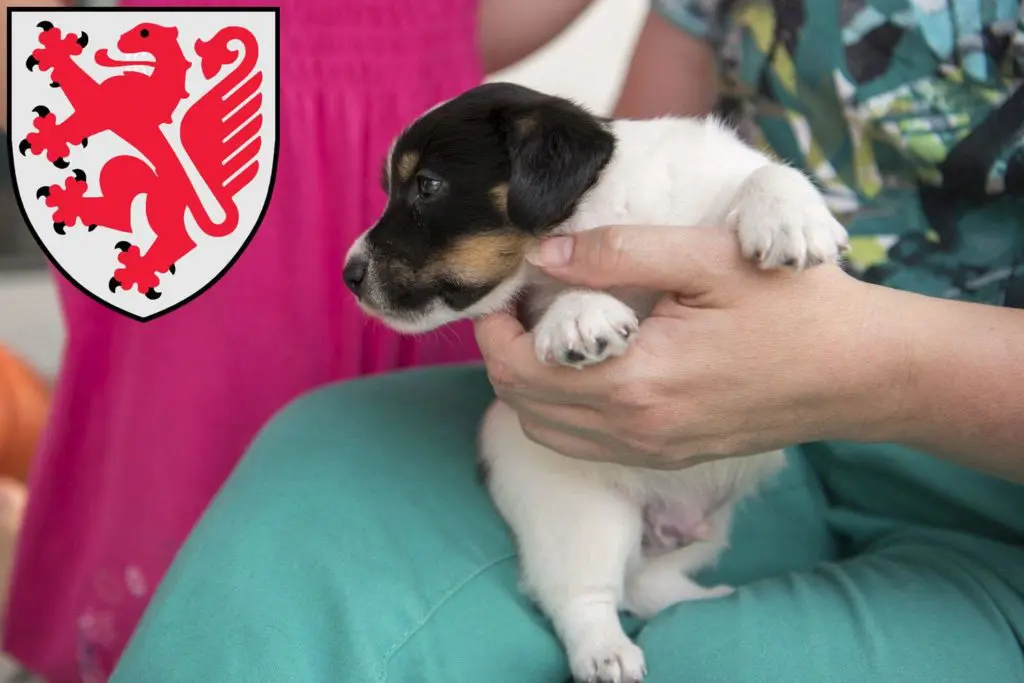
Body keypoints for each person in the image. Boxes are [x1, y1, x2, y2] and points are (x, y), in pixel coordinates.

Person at [108, 1, 1024, 682]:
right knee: (308, 474)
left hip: (985, 476)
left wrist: (856, 360)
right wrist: (563, 304)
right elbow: (621, 169)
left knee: (719, 662)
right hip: (707, 432)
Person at [0, 0, 602, 680]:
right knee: (194, 462)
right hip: (188, 108)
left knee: (423, 486)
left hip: (414, 109)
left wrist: (418, 40)